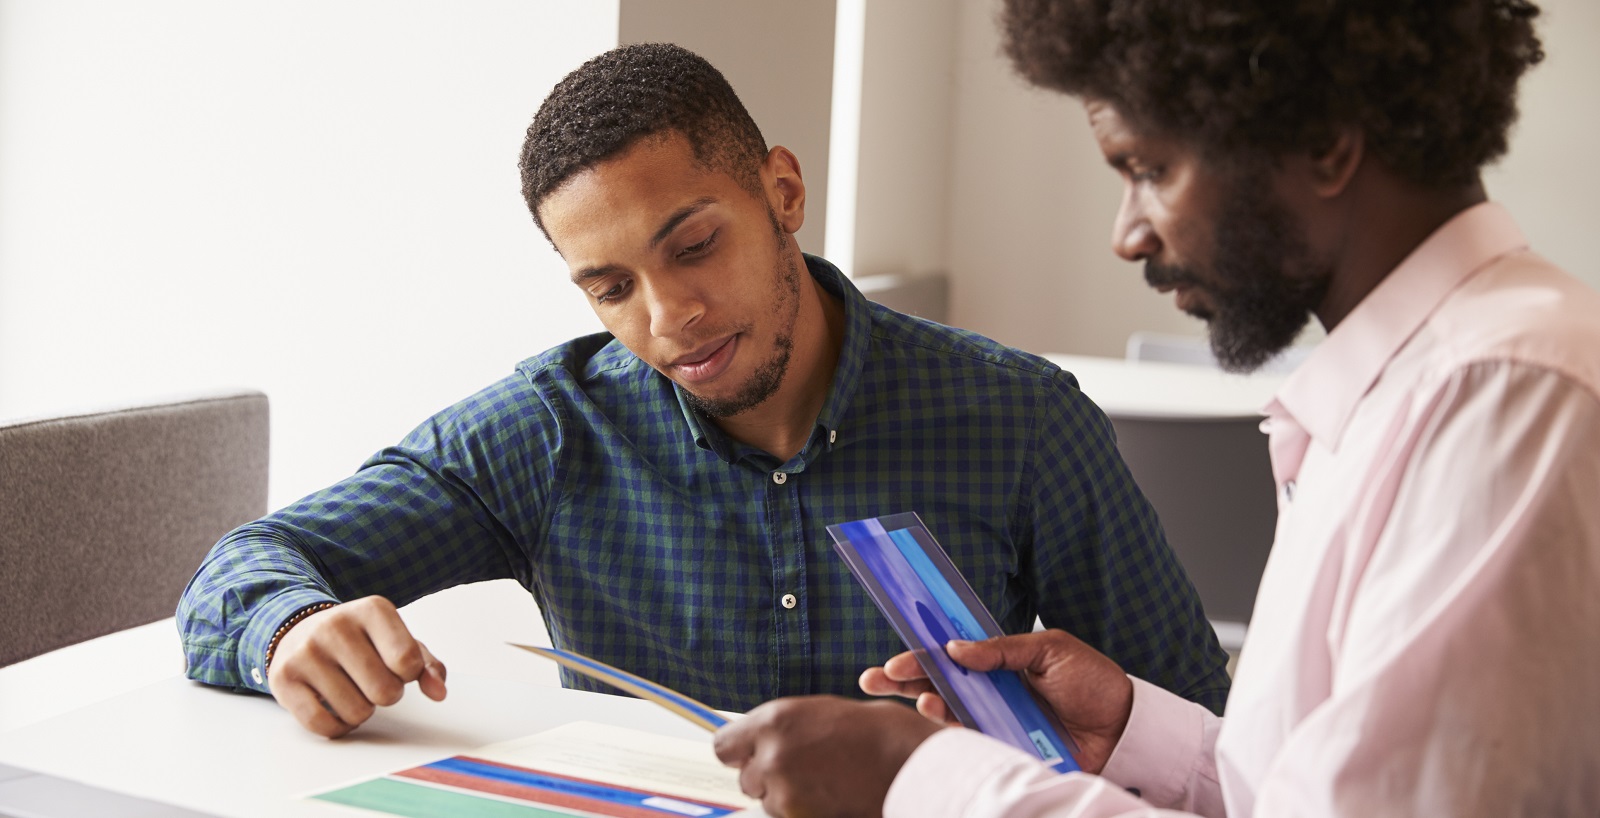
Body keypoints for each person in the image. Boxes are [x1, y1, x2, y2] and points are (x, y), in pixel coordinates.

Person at [176, 42, 1231, 739]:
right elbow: (244, 566)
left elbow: (1196, 734)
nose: (666, 315)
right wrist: (287, 629)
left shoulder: (1019, 421)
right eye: (610, 285)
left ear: (782, 191)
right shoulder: (549, 429)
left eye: (693, 246)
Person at [714, 0, 1600, 815]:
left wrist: (922, 781)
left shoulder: (1506, 399)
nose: (1127, 232)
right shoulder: (1417, 388)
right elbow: (1315, 787)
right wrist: (1138, 730)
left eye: (1149, 169)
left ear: (1326, 142)